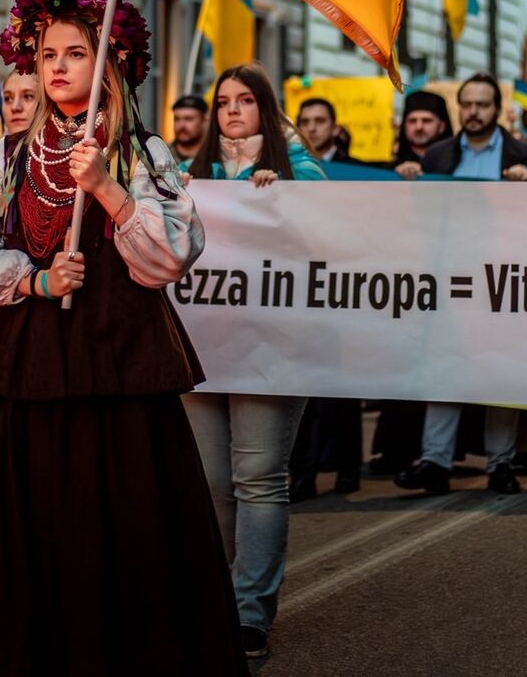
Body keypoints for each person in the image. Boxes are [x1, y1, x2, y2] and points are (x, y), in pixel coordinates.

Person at [0, 0, 241, 675]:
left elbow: (170, 258)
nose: (59, 68)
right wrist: (35, 278)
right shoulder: (6, 159)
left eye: (75, 54)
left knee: (126, 514)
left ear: (109, 66)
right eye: (48, 56)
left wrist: (107, 191)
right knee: (24, 520)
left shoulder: (142, 153)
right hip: (31, 359)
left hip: (119, 360)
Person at [186, 62, 323, 659]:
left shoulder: (302, 172)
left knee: (259, 481)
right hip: (204, 349)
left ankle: (249, 614)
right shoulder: (193, 177)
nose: (232, 111)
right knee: (213, 484)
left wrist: (286, 197)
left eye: (245, 100)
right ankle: (213, 601)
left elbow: (340, 237)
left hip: (272, 348)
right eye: (223, 102)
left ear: (265, 108)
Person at [397, 74, 527, 498]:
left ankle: (501, 464)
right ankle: (435, 460)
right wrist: (406, 185)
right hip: (450, 275)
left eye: (482, 104)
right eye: (467, 104)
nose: (474, 112)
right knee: (445, 367)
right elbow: (419, 218)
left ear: (497, 108)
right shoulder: (438, 157)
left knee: (499, 370)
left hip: (503, 278)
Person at [391, 90, 453, 175]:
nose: (419, 127)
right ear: (404, 125)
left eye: (426, 121)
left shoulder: (456, 164)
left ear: (442, 126)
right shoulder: (388, 164)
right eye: (412, 121)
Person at [294, 96, 351, 164]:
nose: (311, 128)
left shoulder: (359, 169)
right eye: (305, 122)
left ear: (335, 129)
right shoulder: (290, 168)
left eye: (320, 121)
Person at [170, 93, 209, 173]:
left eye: (189, 119)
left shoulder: (214, 156)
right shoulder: (160, 156)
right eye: (177, 119)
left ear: (204, 120)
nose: (181, 125)